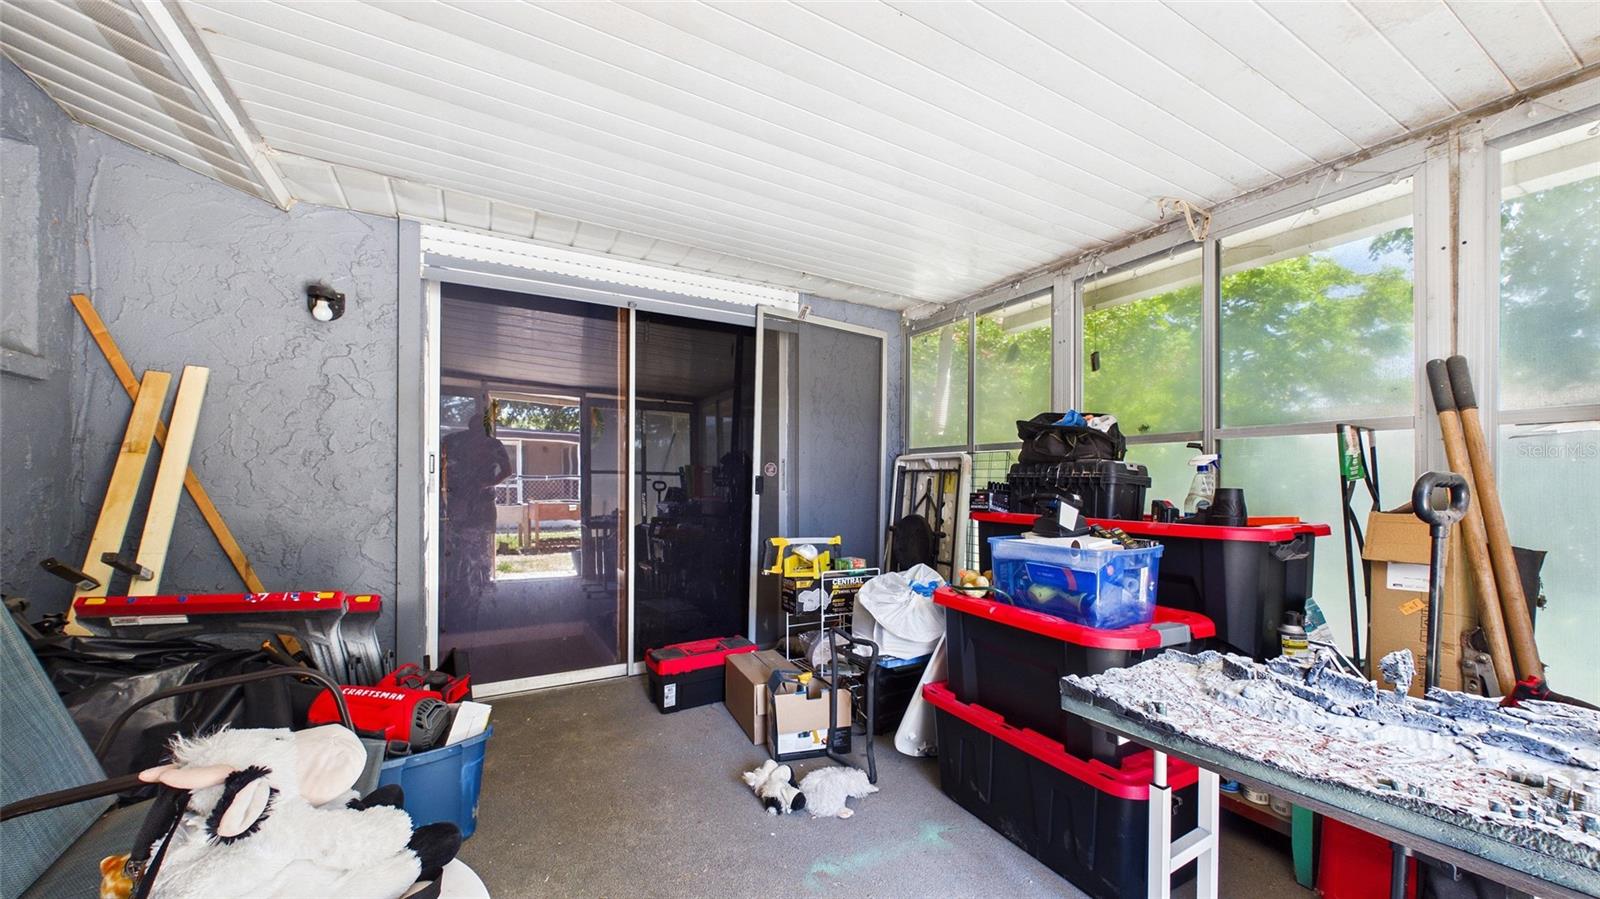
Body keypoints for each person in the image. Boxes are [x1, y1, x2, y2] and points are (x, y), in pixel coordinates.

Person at [441, 397, 513, 634]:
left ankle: (481, 585)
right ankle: (460, 589)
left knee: (481, 544)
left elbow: (507, 470)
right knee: (460, 544)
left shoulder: (492, 444)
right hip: (460, 502)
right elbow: (438, 461)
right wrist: (445, 488)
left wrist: (488, 483)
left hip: (479, 502)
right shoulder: (454, 441)